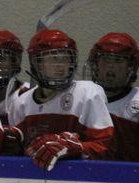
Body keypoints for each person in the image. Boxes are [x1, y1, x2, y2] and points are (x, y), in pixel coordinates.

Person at [6, 29, 114, 170]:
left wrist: (77, 148)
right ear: (37, 64)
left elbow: (106, 147)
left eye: (65, 58)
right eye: (53, 58)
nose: (60, 65)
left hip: (82, 182)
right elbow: (21, 155)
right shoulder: (21, 104)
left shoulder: (88, 94)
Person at [87, 32, 139, 162]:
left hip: (135, 180)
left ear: (131, 67)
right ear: (96, 64)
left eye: (118, 60)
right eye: (105, 59)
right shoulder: (83, 99)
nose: (111, 66)